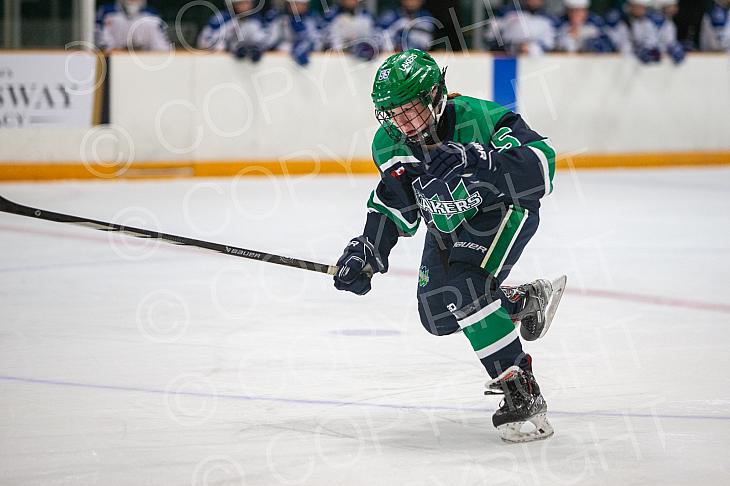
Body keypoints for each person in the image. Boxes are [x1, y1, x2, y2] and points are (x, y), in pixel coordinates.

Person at [332, 49, 565, 443]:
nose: (404, 122)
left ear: (436, 95)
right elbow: (395, 203)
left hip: (503, 210)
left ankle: (519, 387)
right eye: (394, 113)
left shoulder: (482, 118)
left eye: (411, 109)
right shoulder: (389, 144)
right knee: (437, 315)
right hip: (447, 224)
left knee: (465, 285)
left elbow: (543, 166)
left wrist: (482, 162)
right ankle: (519, 301)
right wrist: (367, 250)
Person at [605, 0, 685, 64]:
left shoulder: (647, 22)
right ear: (631, 6)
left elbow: (653, 42)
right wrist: (637, 50)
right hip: (621, 64)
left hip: (640, 68)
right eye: (639, 7)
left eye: (643, 7)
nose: (642, 10)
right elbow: (621, 45)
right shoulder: (621, 22)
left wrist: (670, 48)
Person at [197, 0, 275, 62]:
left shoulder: (256, 20)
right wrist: (226, 49)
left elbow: (266, 40)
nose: (246, 5)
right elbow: (204, 41)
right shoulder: (221, 18)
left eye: (248, 2)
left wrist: (256, 48)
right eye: (242, 3)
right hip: (219, 62)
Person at [485, 0, 558, 56]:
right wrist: (513, 47)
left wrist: (533, 48)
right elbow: (490, 38)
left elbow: (553, 45)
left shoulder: (550, 19)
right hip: (508, 61)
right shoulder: (506, 12)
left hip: (538, 63)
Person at [95, 0, 171, 52]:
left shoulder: (152, 16)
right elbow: (101, 44)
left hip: (145, 62)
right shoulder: (106, 12)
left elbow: (162, 48)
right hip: (115, 62)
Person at [270, 0, 323, 66]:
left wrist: (304, 48)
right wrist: (294, 49)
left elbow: (318, 41)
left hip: (310, 59)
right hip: (285, 58)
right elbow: (274, 40)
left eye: (301, 4)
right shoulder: (281, 20)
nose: (298, 7)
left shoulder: (313, 19)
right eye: (295, 4)